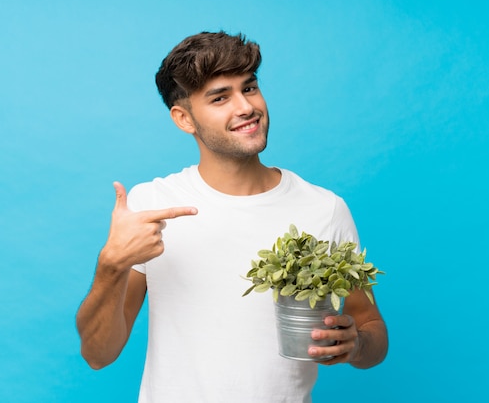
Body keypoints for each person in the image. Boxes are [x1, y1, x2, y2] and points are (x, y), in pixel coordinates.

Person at [76, 31, 388, 402]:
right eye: (220, 97)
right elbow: (98, 354)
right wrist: (110, 265)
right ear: (184, 119)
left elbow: (371, 328)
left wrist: (355, 345)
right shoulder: (154, 203)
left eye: (250, 88)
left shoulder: (323, 208)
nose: (245, 107)